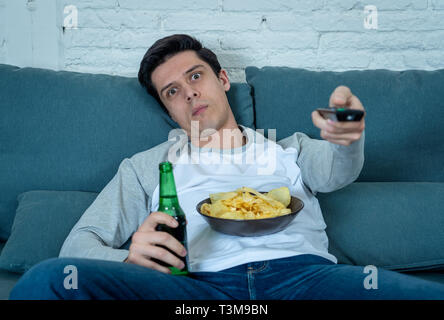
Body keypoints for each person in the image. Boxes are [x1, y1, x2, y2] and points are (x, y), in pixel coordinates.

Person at [10, 34, 444, 300]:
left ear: (221, 80)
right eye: (172, 91)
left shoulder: (288, 148)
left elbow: (337, 171)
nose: (189, 95)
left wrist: (348, 136)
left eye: (196, 77)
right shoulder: (147, 167)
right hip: (194, 288)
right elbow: (78, 243)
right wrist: (126, 259)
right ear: (167, 107)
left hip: (306, 279)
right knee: (45, 280)